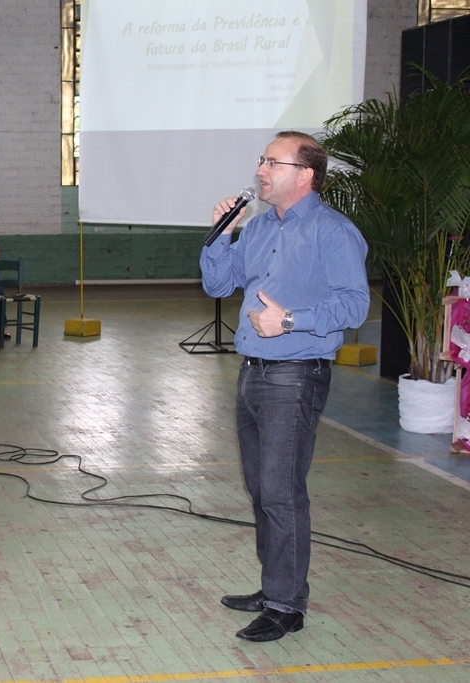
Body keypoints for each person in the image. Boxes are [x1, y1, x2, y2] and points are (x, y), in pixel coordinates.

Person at [200, 131, 370, 642]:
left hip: (295, 375)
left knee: (281, 491)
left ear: (305, 175)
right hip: (252, 371)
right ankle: (274, 585)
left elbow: (355, 305)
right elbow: (217, 285)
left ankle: (286, 605)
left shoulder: (333, 231)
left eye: (273, 162)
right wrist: (222, 235)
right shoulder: (255, 229)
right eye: (262, 160)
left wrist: (290, 320)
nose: (261, 170)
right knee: (261, 490)